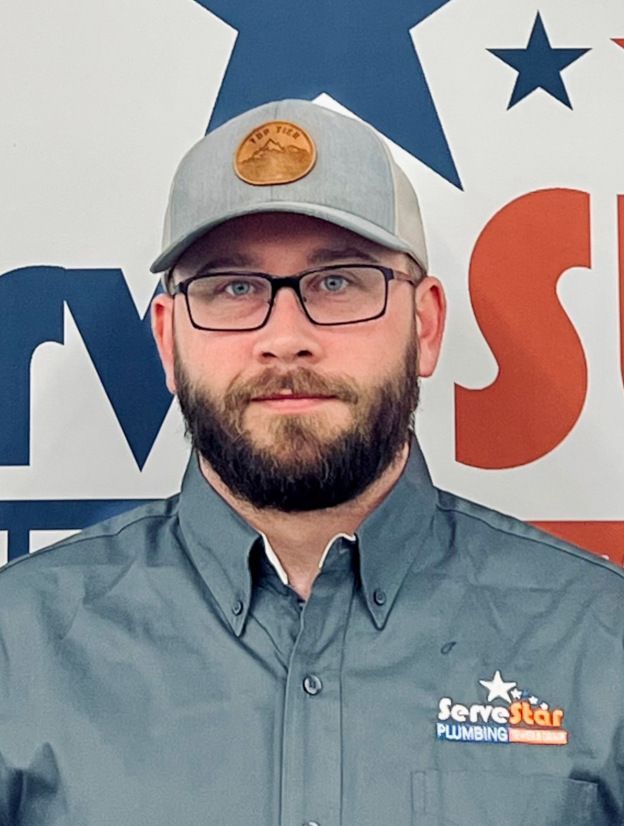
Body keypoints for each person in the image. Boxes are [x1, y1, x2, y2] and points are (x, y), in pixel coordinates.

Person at [0, 98, 622, 826]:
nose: (285, 337)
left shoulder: (597, 641)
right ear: (168, 341)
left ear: (424, 325)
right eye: (233, 287)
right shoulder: (21, 645)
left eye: (338, 281)